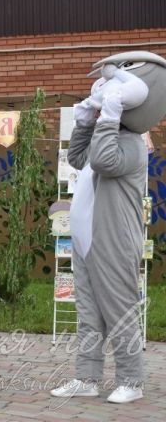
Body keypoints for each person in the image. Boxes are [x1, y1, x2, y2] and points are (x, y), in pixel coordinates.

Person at [51, 51, 166, 403]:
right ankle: (87, 377)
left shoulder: (130, 144)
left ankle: (131, 381)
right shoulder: (107, 135)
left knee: (119, 310)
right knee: (88, 313)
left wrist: (110, 113)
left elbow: (102, 159)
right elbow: (77, 158)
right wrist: (85, 119)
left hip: (114, 241)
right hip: (87, 241)